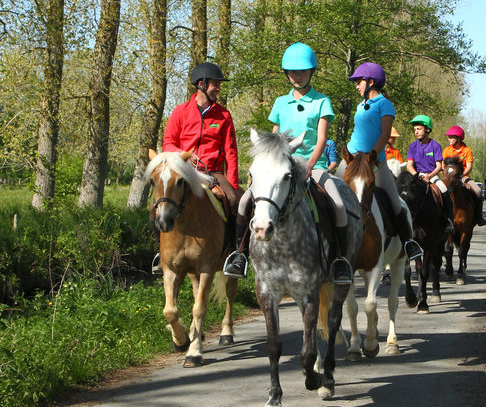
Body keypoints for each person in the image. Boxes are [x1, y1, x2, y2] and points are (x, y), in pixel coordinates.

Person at [224, 43, 353, 283]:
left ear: (311, 71)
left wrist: (310, 165)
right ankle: (238, 255)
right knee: (243, 201)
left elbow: (322, 138)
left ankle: (339, 260)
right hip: (281, 166)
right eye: (292, 72)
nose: (297, 76)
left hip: (315, 164)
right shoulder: (280, 103)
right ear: (286, 74)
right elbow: (273, 140)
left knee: (338, 204)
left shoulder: (322, 101)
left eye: (302, 71)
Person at [151, 61, 242, 274]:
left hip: (214, 172)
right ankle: (159, 252)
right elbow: (168, 142)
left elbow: (231, 152)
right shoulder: (180, 112)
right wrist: (183, 157)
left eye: (219, 85)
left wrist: (234, 183)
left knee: (235, 201)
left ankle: (235, 254)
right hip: (184, 170)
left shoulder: (224, 116)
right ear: (201, 84)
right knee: (154, 206)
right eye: (215, 84)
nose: (218, 88)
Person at [335, 62, 422, 260]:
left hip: (375, 162)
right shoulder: (360, 105)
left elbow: (384, 134)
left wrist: (372, 155)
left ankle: (409, 243)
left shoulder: (385, 104)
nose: (356, 85)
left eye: (359, 82)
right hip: (351, 159)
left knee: (395, 202)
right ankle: (331, 242)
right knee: (332, 196)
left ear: (371, 82)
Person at [405, 115, 454, 234]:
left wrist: (429, 176)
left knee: (444, 190)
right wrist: (417, 175)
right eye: (415, 129)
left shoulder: (435, 145)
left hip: (432, 175)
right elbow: (409, 165)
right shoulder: (413, 146)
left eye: (419, 129)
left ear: (427, 129)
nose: (416, 132)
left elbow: (438, 166)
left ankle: (448, 221)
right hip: (417, 175)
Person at [442, 125, 486, 226]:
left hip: (463, 177)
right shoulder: (447, 150)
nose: (449, 139)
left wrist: (460, 175)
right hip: (449, 178)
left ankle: (479, 216)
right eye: (449, 137)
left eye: (451, 137)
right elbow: (443, 165)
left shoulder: (467, 150)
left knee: (478, 191)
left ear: (458, 138)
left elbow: (469, 166)